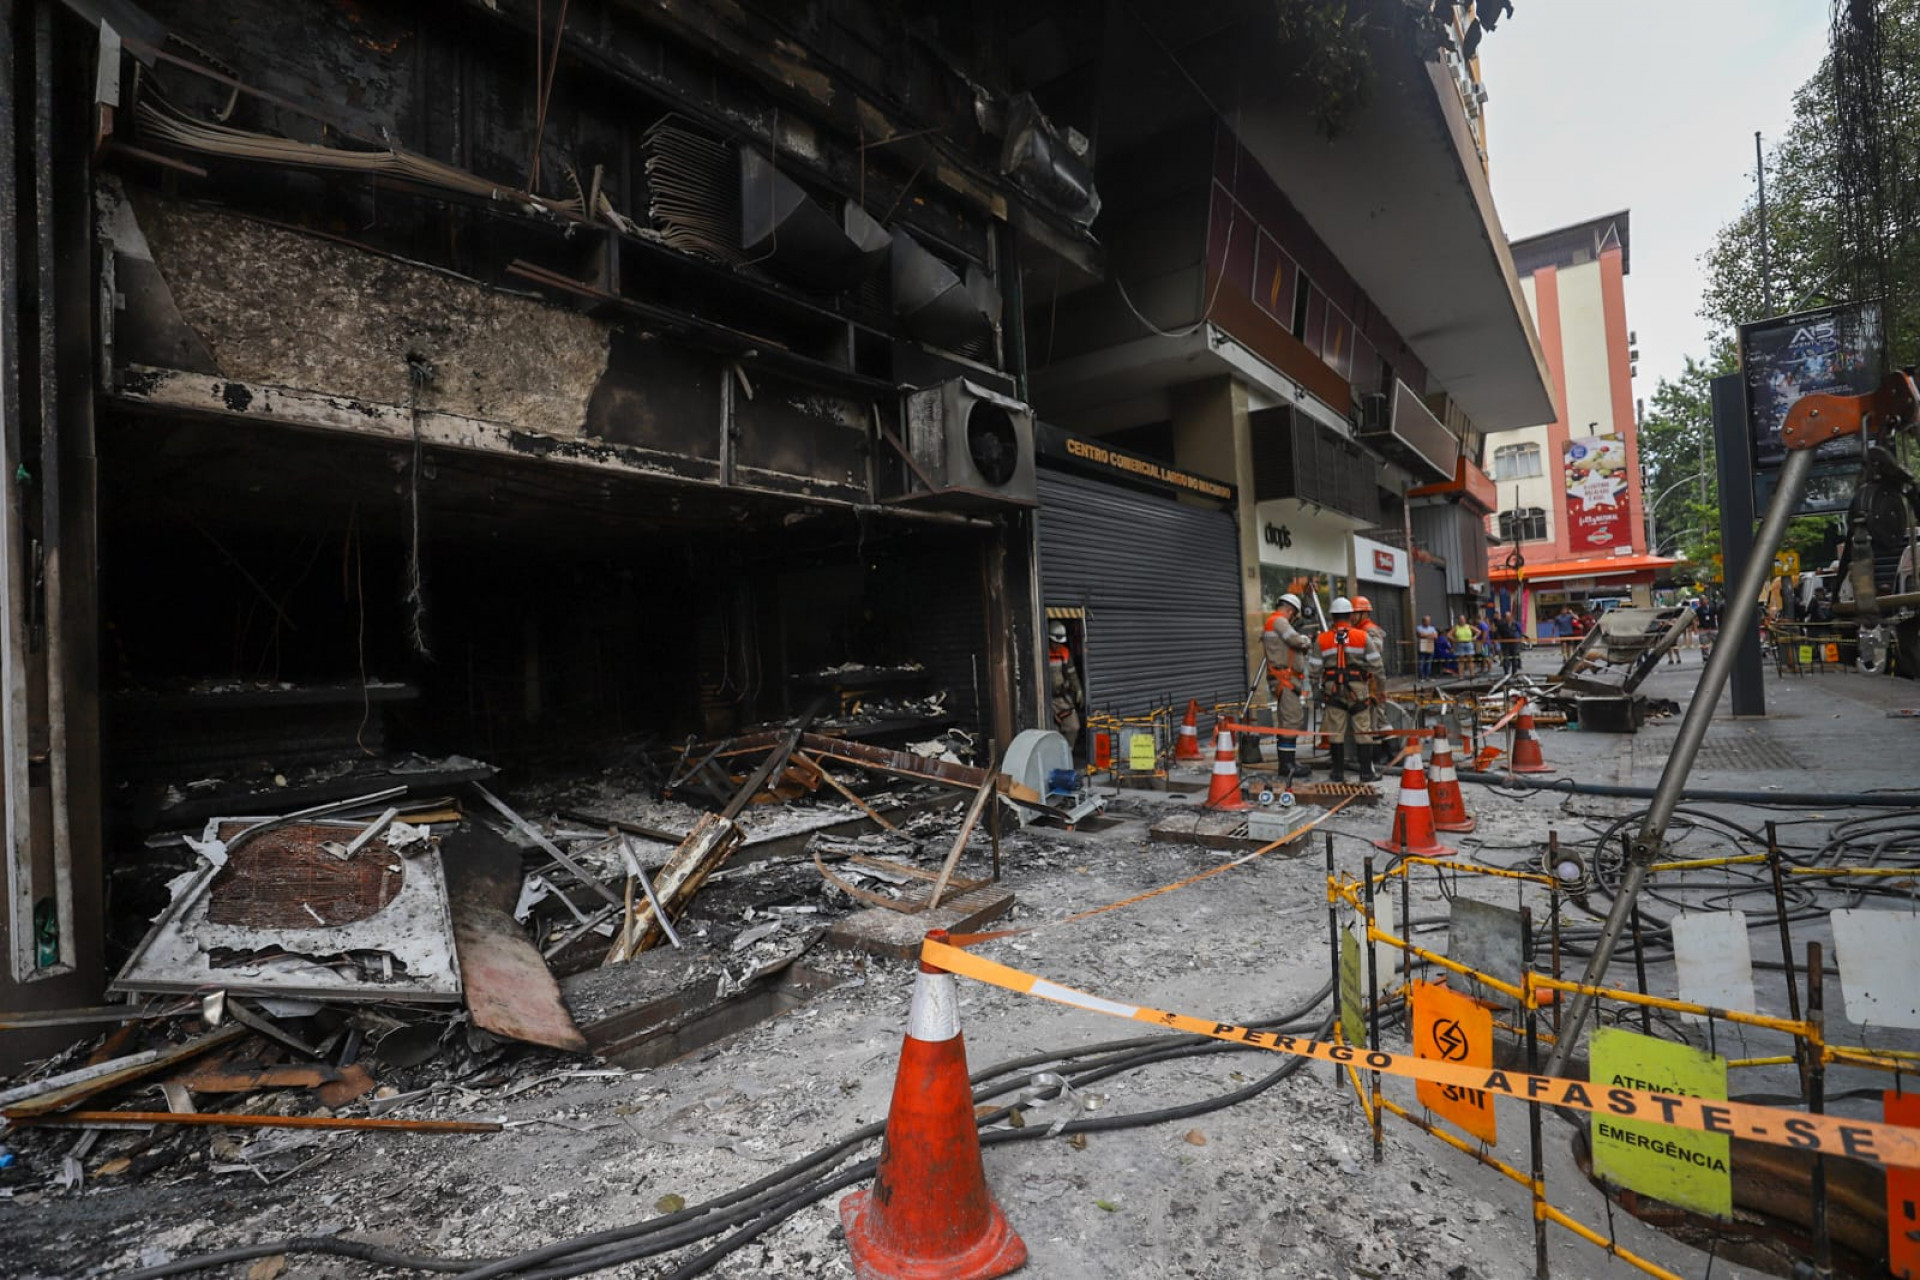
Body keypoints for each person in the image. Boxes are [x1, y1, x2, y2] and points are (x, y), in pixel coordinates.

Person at [1311, 597, 1383, 783]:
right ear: (1351, 615)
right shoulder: (1362, 637)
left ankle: (1337, 773)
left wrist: (1316, 693)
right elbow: (1377, 666)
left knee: (1336, 730)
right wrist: (1380, 689)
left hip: (1333, 690)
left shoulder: (1322, 639)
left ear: (1332, 617)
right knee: (1362, 729)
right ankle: (1366, 772)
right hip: (1358, 689)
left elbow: (1314, 670)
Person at [1260, 592, 1314, 779]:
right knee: (1290, 721)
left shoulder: (1274, 622)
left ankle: (1288, 762)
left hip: (1286, 679)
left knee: (1289, 720)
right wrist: (1307, 639)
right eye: (1294, 615)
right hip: (1285, 680)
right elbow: (1296, 641)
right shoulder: (1279, 621)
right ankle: (1287, 765)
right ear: (1290, 610)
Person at [1352, 596, 1392, 770]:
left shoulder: (1369, 629)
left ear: (1363, 613)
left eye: (1354, 613)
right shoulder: (1360, 628)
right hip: (1371, 678)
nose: (1351, 617)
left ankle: (1380, 756)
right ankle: (1391, 753)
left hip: (1372, 679)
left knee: (1374, 719)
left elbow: (1376, 651)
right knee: (1380, 718)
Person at [1046, 621, 1084, 747]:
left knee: (1073, 727)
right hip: (1047, 700)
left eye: (1060, 642)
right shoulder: (1042, 652)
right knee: (1052, 733)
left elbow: (1072, 674)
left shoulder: (1065, 652)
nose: (1058, 645)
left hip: (1062, 698)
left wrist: (1078, 690)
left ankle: (1067, 754)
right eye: (1055, 642)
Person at [1415, 615, 1439, 680]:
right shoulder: (1419, 627)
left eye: (1429, 621)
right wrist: (1430, 635)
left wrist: (1426, 635)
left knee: (1428, 663)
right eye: (1426, 621)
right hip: (1422, 646)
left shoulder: (1432, 628)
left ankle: (1427, 676)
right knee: (1421, 662)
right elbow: (1421, 635)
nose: (1428, 622)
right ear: (1423, 621)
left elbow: (1436, 636)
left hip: (1430, 646)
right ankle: (1421, 677)